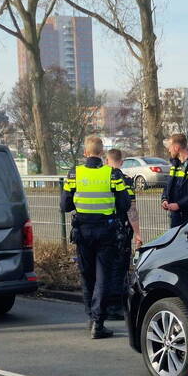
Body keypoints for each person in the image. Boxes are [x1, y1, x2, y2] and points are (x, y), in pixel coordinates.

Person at [61, 136, 132, 339]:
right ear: (102, 154)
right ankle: (98, 323)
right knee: (103, 277)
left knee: (87, 275)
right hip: (106, 232)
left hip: (83, 231)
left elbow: (64, 205)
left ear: (85, 153)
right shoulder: (113, 174)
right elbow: (125, 204)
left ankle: (91, 318)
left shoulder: (75, 173)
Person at [104, 148, 143, 321]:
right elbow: (130, 209)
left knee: (103, 267)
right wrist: (138, 234)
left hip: (102, 229)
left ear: (107, 161)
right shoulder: (125, 180)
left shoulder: (100, 177)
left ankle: (102, 305)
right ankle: (116, 306)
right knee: (119, 268)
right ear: (121, 162)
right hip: (121, 230)